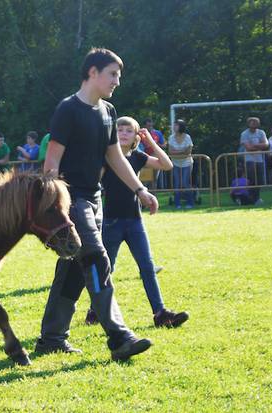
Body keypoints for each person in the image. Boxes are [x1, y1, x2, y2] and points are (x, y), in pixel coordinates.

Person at [38, 48, 156, 361]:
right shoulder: (68, 109)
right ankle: (119, 337)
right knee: (96, 259)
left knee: (74, 270)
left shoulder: (109, 112)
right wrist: (54, 207)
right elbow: (51, 163)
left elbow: (115, 157)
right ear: (93, 72)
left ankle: (51, 337)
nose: (117, 81)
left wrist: (140, 190)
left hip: (94, 198)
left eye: (118, 75)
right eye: (112, 74)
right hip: (71, 198)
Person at [84, 116, 188, 328]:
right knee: (107, 268)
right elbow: (94, 180)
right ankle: (95, 310)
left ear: (135, 136)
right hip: (111, 222)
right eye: (119, 129)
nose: (123, 133)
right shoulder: (107, 157)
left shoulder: (139, 156)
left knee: (147, 267)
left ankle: (160, 313)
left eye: (128, 131)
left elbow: (167, 165)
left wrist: (150, 142)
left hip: (135, 222)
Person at [239, 117, 268, 205]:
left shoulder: (261, 132)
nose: (254, 124)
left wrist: (254, 145)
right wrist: (259, 146)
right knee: (251, 180)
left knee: (260, 180)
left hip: (259, 160)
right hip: (249, 160)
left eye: (256, 122)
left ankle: (256, 198)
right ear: (249, 124)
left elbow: (266, 145)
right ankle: (251, 198)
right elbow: (248, 148)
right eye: (252, 122)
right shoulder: (244, 133)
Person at [168, 119, 194, 209]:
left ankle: (190, 203)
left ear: (181, 126)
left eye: (176, 125)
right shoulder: (171, 137)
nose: (174, 127)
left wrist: (177, 152)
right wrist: (182, 151)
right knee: (177, 184)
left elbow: (188, 152)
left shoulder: (187, 137)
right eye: (174, 125)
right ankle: (177, 204)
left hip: (187, 163)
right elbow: (170, 152)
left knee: (185, 183)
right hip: (175, 163)